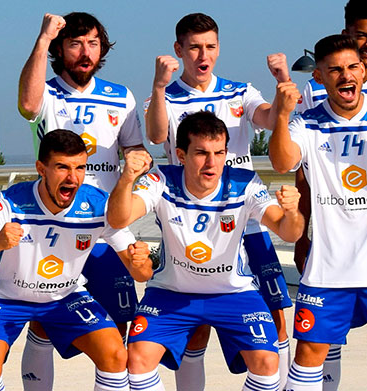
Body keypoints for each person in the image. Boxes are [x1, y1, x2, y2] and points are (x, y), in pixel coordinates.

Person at [143, 12, 294, 389]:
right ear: (179, 49)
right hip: (193, 214)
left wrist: (282, 83)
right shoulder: (166, 95)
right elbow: (156, 133)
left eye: (210, 46)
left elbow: (272, 120)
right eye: (193, 47)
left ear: (218, 49)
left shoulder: (239, 91)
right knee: (193, 328)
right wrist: (160, 86)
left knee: (275, 317)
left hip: (247, 215)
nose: (202, 54)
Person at [107, 111, 303, 391]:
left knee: (267, 364)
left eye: (219, 152)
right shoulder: (162, 179)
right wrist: (127, 179)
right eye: (201, 153)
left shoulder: (244, 182)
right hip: (171, 293)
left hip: (233, 293)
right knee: (137, 360)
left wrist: (293, 211)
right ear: (181, 154)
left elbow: (289, 231)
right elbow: (118, 219)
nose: (212, 162)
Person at [0, 129, 152, 391]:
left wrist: (140, 262)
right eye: (62, 167)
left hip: (64, 297)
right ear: (41, 168)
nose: (73, 178)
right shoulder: (10, 202)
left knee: (116, 354)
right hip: (6, 298)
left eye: (80, 167)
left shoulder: (98, 204)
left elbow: (142, 273)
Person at [17, 12, 146, 390]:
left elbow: (134, 148)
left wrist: (142, 162)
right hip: (52, 229)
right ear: (60, 49)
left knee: (119, 328)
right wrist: (42, 38)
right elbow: (27, 104)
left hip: (105, 230)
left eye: (92, 43)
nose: (85, 52)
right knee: (42, 323)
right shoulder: (47, 92)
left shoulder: (121, 96)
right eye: (74, 43)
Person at [269, 34, 367, 391]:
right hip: (329, 269)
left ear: (363, 71)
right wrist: (282, 114)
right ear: (319, 78)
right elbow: (282, 161)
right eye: (335, 70)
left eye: (353, 67)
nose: (346, 76)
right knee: (311, 353)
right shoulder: (307, 123)